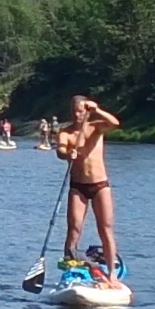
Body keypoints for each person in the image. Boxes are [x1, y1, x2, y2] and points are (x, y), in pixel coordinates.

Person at [57, 96, 121, 273]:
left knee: (105, 229)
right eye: (74, 111)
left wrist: (97, 110)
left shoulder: (96, 127)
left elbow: (115, 123)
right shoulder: (66, 133)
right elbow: (60, 150)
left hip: (100, 185)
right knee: (74, 228)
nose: (77, 115)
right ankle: (69, 268)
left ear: (86, 111)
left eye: (80, 111)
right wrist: (67, 154)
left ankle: (112, 275)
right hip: (78, 187)